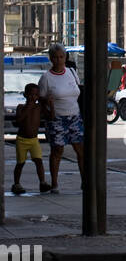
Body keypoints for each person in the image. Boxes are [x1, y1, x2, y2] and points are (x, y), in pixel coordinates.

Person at [38, 42, 84, 191]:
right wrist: (48, 103)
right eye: (55, 57)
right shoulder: (46, 78)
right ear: (51, 59)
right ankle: (55, 183)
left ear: (65, 57)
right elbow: (41, 98)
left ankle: (85, 181)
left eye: (61, 57)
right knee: (57, 150)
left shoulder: (71, 72)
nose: (59, 60)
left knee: (80, 149)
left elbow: (78, 91)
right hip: (57, 118)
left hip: (74, 116)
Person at [12, 83, 51, 194]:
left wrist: (49, 104)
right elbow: (19, 120)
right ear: (25, 95)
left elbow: (51, 116)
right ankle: (16, 183)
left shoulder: (39, 107)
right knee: (20, 163)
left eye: (35, 95)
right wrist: (28, 107)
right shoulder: (21, 107)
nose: (33, 97)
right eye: (30, 94)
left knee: (38, 160)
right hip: (22, 140)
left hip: (34, 140)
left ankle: (42, 182)